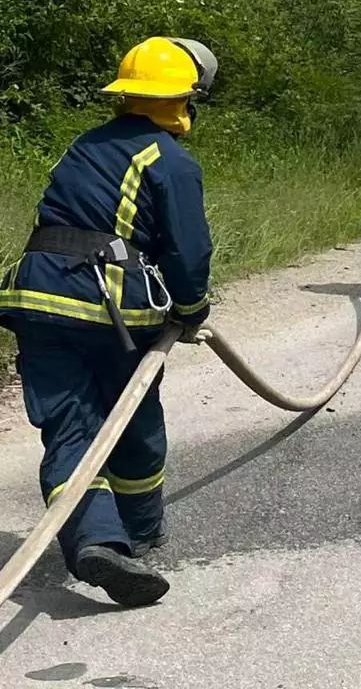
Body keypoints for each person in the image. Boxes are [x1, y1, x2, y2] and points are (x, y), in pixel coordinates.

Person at [0, 37, 217, 607]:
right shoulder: (168, 160)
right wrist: (192, 311)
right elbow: (188, 253)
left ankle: (98, 540)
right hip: (109, 309)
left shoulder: (85, 144)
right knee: (133, 419)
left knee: (71, 425)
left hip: (38, 301)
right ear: (184, 100)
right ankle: (140, 534)